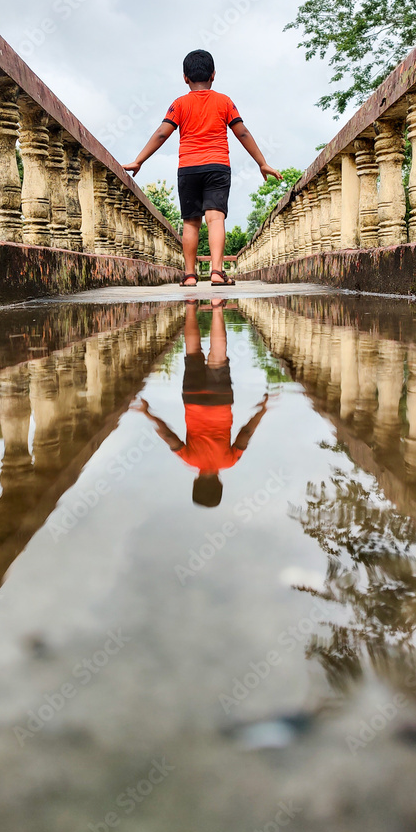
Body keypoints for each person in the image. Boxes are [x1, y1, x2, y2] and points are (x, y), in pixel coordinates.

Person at [123, 49, 282, 287]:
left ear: (185, 77)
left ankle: (189, 276)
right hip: (217, 166)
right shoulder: (224, 102)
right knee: (215, 219)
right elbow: (243, 132)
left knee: (191, 222)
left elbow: (161, 134)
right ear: (214, 75)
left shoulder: (179, 104)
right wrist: (262, 162)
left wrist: (139, 160)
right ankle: (217, 272)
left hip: (189, 167)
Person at [133, 300, 268, 507]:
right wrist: (147, 412)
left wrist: (262, 410)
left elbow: (246, 434)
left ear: (219, 484)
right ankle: (190, 307)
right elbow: (168, 436)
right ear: (196, 482)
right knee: (192, 351)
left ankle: (217, 309)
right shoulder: (190, 459)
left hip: (220, 401)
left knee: (218, 357)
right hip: (193, 398)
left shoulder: (229, 461)